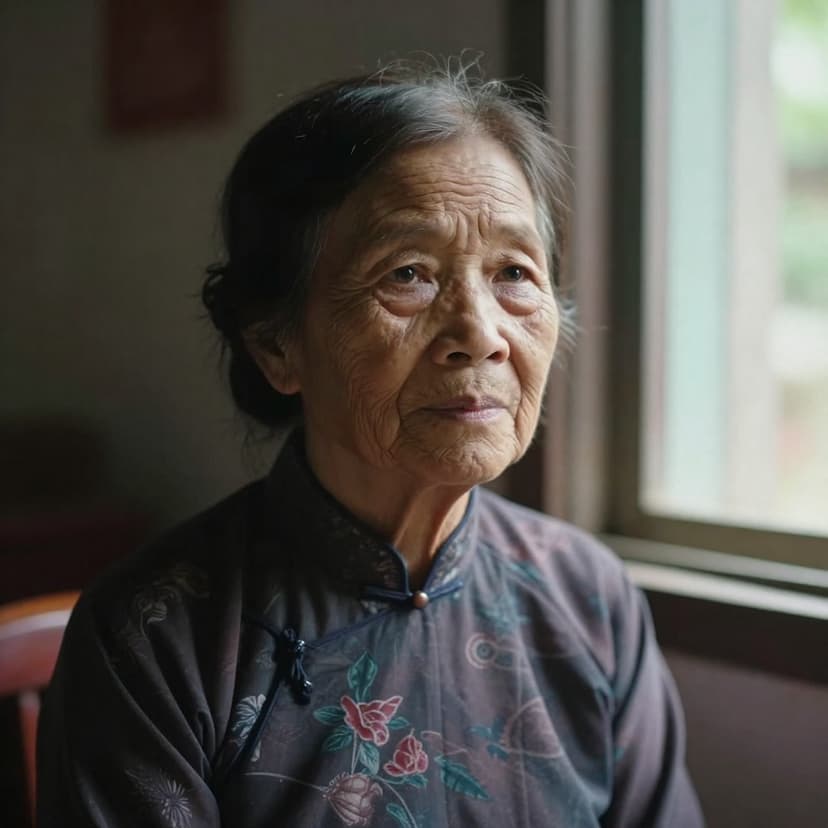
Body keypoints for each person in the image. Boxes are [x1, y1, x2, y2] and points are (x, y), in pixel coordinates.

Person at [37, 61, 704, 827]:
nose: (480, 336)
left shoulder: (590, 598)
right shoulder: (159, 638)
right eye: (409, 274)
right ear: (276, 344)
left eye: (514, 273)